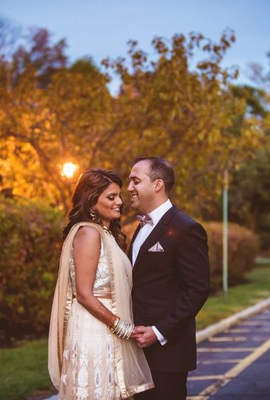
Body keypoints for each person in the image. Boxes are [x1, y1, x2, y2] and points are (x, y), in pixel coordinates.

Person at [48, 168, 154, 399]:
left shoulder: (105, 234)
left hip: (107, 325)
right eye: (111, 197)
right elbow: (84, 294)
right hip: (94, 328)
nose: (120, 202)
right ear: (92, 201)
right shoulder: (89, 234)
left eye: (118, 196)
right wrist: (121, 326)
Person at [128, 157, 210, 400]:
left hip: (167, 353)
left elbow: (197, 289)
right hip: (136, 350)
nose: (129, 187)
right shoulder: (141, 227)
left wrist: (158, 331)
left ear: (157, 184)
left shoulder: (186, 229)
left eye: (135, 181)